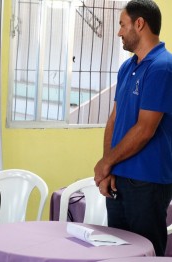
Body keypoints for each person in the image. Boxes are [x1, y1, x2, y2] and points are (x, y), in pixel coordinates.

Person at [94, 0, 172, 257]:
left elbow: (145, 129)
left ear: (139, 24)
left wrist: (106, 163)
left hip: (147, 182)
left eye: (122, 24)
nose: (119, 32)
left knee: (145, 253)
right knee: (116, 253)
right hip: (118, 179)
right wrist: (109, 167)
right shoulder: (127, 67)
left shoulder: (163, 67)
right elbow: (114, 118)